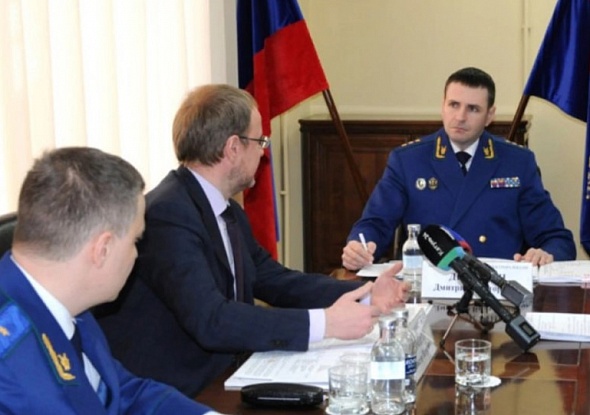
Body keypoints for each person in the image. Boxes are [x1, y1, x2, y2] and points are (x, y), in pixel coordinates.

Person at [97, 84, 409, 397]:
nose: (263, 152)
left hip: (225, 374)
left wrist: (366, 292)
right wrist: (325, 324)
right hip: (180, 390)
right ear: (233, 147)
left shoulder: (226, 209)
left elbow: (274, 280)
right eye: (260, 141)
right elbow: (212, 320)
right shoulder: (168, 214)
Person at [0, 147, 222, 414]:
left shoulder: (69, 303)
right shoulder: (10, 369)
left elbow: (119, 391)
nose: (136, 254)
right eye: (135, 240)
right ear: (102, 249)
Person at [342, 67, 576, 271]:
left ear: (489, 116)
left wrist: (545, 254)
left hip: (495, 292)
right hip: (426, 289)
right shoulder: (408, 161)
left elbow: (557, 239)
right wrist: (359, 248)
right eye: (454, 105)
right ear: (442, 106)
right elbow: (375, 224)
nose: (461, 117)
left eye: (473, 109)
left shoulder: (517, 162)